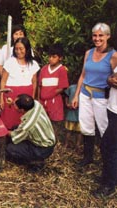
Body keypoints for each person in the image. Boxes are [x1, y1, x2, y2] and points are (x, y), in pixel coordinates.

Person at [72, 23, 117, 166]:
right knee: (86, 126)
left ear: (108, 36)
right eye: (95, 35)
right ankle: (88, 157)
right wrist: (76, 95)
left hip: (102, 98)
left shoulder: (113, 55)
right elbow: (83, 75)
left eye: (100, 35)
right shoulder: (89, 53)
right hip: (85, 95)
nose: (97, 38)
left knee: (104, 129)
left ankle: (107, 162)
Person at [6, 94, 56, 171]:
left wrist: (2, 130)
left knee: (10, 148)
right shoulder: (36, 104)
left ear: (22, 110)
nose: (13, 105)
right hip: (49, 139)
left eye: (15, 105)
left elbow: (14, 135)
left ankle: (36, 162)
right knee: (15, 128)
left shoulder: (28, 125)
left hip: (43, 148)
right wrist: (13, 102)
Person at [0, 37, 40, 130]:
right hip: (11, 96)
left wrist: (33, 98)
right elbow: (3, 81)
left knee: (24, 122)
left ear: (27, 49)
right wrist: (1, 98)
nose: (18, 51)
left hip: (26, 96)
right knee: (10, 121)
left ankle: (23, 141)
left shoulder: (33, 64)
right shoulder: (9, 62)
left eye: (21, 49)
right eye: (16, 49)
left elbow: (34, 83)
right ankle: (9, 142)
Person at [92, 69, 117, 197]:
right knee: (108, 146)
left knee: (109, 147)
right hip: (112, 108)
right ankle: (109, 176)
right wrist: (110, 80)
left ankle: (109, 185)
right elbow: (112, 78)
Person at [38, 44, 69, 142]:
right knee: (43, 120)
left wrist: (50, 94)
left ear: (60, 58)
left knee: (55, 121)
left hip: (55, 100)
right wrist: (39, 98)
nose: (51, 59)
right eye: (50, 56)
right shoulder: (43, 69)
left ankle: (54, 141)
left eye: (54, 57)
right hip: (43, 100)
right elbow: (40, 85)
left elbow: (62, 87)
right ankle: (44, 139)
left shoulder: (62, 70)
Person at [64, 84, 82, 151]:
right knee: (68, 130)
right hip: (71, 112)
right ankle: (66, 144)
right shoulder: (72, 87)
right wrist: (67, 104)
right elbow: (66, 95)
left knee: (79, 131)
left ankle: (78, 145)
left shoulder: (85, 88)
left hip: (80, 112)